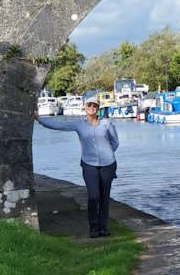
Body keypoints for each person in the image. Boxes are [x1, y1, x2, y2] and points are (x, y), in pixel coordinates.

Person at [35, 96, 119, 238]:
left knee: (105, 197)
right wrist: (39, 120)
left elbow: (115, 142)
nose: (92, 107)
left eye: (95, 105)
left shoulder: (107, 124)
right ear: (85, 107)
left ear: (98, 109)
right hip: (89, 164)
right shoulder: (79, 125)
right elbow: (60, 125)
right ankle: (93, 227)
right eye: (89, 105)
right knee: (93, 196)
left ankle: (103, 227)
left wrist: (107, 154)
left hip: (108, 165)